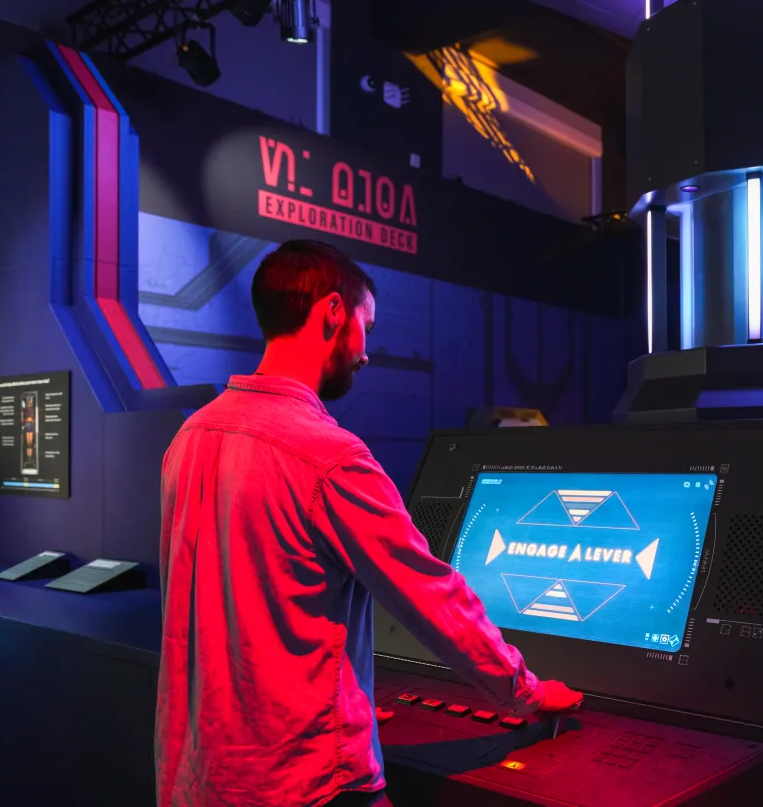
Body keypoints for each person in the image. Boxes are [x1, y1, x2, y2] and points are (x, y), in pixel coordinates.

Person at [156, 239, 582, 807]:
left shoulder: (190, 439)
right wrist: (526, 691)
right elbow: (432, 597)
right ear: (334, 313)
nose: (365, 352)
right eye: (367, 326)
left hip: (197, 778)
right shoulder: (330, 457)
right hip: (308, 784)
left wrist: (344, 691)